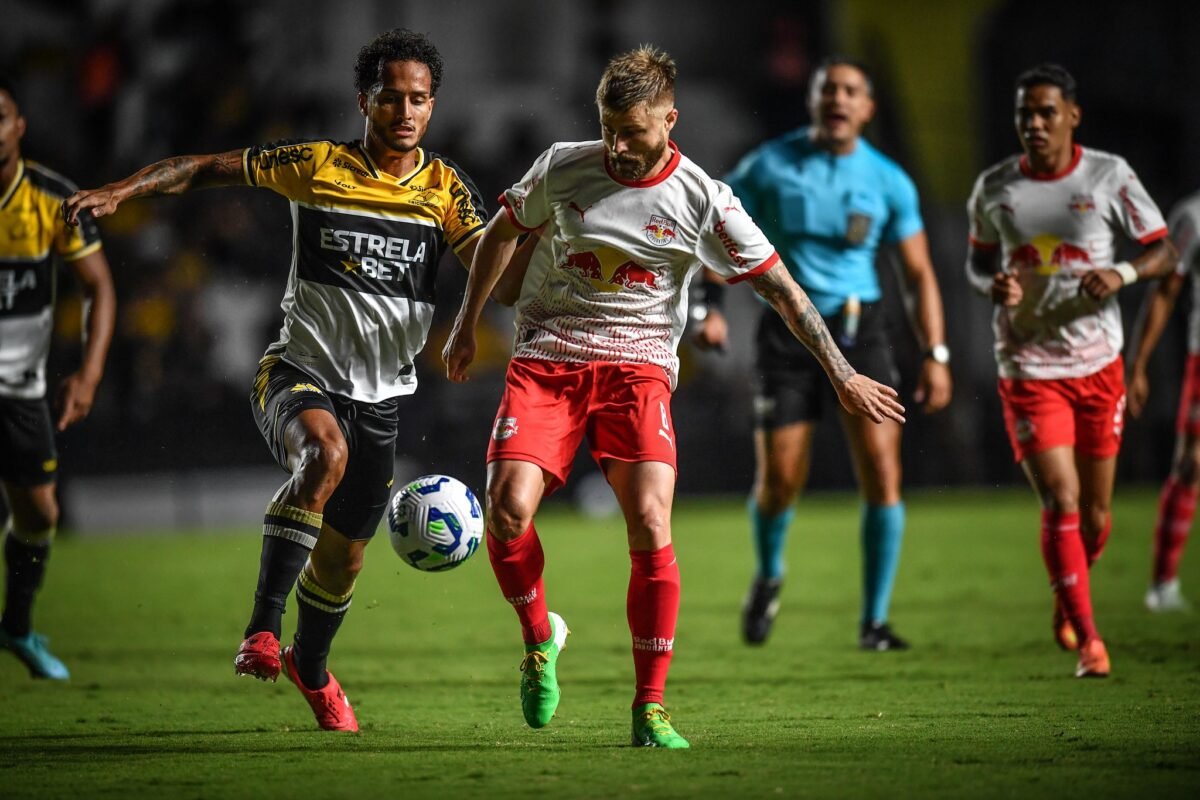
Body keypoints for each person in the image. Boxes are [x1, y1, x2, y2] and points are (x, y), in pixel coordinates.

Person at [442, 45, 905, 749]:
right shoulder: (566, 164)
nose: (618, 146)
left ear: (669, 120)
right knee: (506, 513)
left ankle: (649, 709)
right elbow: (503, 232)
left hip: (638, 370)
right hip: (548, 359)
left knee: (651, 526)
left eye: (633, 131)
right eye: (607, 128)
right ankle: (541, 641)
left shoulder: (704, 199)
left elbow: (781, 290)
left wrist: (841, 371)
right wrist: (467, 325)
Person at [63, 29, 489, 730]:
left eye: (418, 100)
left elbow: (492, 261)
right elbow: (202, 167)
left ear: (432, 106)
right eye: (390, 98)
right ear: (364, 100)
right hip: (299, 371)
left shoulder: (445, 189)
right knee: (324, 456)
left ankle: (311, 666)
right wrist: (123, 188)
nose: (404, 112)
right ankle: (261, 629)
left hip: (382, 398)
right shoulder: (315, 164)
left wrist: (496, 306)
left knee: (345, 564)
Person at [693, 57, 952, 650]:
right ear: (813, 102)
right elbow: (714, 229)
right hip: (788, 334)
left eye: (850, 91)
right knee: (781, 479)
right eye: (827, 89)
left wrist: (936, 352)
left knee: (883, 473)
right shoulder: (770, 165)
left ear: (867, 108)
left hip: (863, 331)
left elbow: (918, 274)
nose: (837, 98)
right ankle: (769, 573)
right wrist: (707, 310)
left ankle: (875, 621)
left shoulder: (888, 180)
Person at [965, 63, 1177, 678]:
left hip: (1098, 363)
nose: (1032, 123)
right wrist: (993, 285)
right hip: (1028, 365)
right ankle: (1090, 640)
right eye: (1023, 113)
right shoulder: (995, 187)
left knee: (1097, 516)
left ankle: (1068, 591)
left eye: (1045, 112)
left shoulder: (1107, 174)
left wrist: (1124, 273)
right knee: (1061, 497)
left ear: (1072, 115)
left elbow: (1164, 249)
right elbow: (978, 266)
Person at [0, 76, 116, 680]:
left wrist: (89, 374)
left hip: (20, 391)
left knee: (39, 515)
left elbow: (97, 284)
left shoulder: (49, 198)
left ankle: (16, 627)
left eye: (0, 116)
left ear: (19, 127)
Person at [1127, 189, 1200, 612]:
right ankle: (1163, 584)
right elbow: (1165, 292)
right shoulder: (1191, 216)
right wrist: (1138, 364)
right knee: (1191, 465)